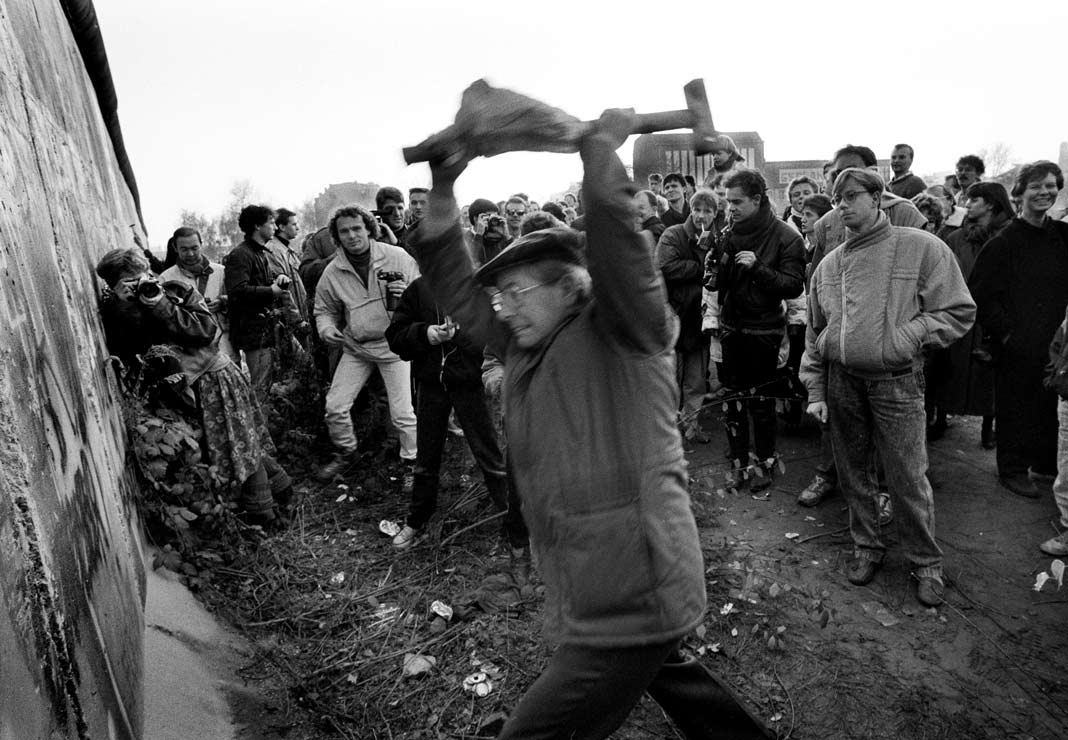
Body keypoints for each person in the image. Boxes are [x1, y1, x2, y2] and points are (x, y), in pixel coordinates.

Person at [408, 108, 772, 740]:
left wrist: (599, 154)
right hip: (594, 579)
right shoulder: (525, 343)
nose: (502, 307)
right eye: (501, 297)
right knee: (673, 676)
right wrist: (443, 191)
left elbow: (621, 246)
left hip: (632, 589)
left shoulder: (626, 330)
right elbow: (454, 282)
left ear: (569, 285)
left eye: (516, 291)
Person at [801, 168, 975, 607]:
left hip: (897, 383)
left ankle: (926, 563)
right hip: (843, 384)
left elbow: (957, 310)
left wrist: (906, 338)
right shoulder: (828, 266)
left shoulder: (919, 247)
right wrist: (816, 391)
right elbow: (813, 335)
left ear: (878, 197)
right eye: (835, 197)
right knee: (854, 472)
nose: (841, 204)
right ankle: (867, 547)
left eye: (851, 195)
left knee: (907, 475)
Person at [97, 249, 291, 527]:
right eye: (131, 282)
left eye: (143, 278)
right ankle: (280, 493)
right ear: (113, 286)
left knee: (242, 445)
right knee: (230, 447)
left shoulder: (176, 290)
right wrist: (123, 305)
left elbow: (205, 332)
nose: (143, 285)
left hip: (214, 376)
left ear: (150, 272)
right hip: (184, 388)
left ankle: (266, 514)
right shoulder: (119, 308)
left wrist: (159, 303)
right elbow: (130, 347)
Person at [384, 277, 529, 552]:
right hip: (431, 386)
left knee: (491, 457)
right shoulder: (418, 290)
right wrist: (426, 333)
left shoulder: (480, 291)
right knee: (426, 460)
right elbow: (395, 337)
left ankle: (515, 525)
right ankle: (417, 520)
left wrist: (463, 335)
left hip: (471, 385)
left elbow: (501, 338)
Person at [969, 161, 1068, 497]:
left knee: (1048, 403)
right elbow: (980, 295)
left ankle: (1043, 465)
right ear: (1020, 193)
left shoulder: (1062, 236)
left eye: (1051, 186)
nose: (1045, 192)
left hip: (1057, 341)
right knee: (1015, 406)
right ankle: (1011, 469)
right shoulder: (1004, 242)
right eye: (1036, 186)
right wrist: (1009, 335)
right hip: (1018, 343)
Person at [707, 170, 805, 489]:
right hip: (732, 328)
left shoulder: (787, 236)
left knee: (761, 403)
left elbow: (793, 286)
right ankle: (739, 464)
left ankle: (764, 463)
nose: (730, 208)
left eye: (736, 202)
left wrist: (759, 269)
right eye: (727, 202)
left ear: (757, 200)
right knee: (733, 400)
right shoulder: (728, 232)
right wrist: (715, 264)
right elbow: (719, 284)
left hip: (764, 333)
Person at [314, 205, 420, 482]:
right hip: (357, 347)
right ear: (336, 237)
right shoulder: (333, 271)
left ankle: (412, 465)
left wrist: (406, 293)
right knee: (335, 405)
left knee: (402, 413)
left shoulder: (396, 257)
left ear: (369, 229)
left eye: (357, 228)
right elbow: (324, 309)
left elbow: (424, 294)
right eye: (344, 231)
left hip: (394, 348)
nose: (352, 236)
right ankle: (348, 455)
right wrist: (326, 329)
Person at [940, 182, 1012, 449]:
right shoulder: (957, 237)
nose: (967, 204)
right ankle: (940, 418)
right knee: (950, 370)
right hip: (959, 311)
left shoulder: (1006, 237)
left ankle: (988, 427)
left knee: (988, 378)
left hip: (991, 315)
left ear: (991, 204)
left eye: (974, 200)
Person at [658, 190, 721, 443]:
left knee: (696, 380)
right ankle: (667, 432)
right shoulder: (673, 234)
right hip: (674, 315)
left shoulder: (717, 238)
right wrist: (701, 264)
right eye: (697, 209)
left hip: (699, 318)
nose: (701, 215)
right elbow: (665, 268)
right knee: (671, 377)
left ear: (715, 213)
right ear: (690, 210)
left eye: (707, 211)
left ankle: (691, 426)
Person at [225, 204, 293, 404]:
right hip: (253, 332)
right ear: (257, 226)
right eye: (271, 223)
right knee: (259, 387)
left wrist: (277, 276)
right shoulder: (241, 254)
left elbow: (261, 278)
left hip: (263, 330)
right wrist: (270, 291)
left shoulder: (258, 253)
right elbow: (237, 291)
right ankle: (257, 428)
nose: (275, 227)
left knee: (266, 383)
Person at [160, 227, 236, 361]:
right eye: (184, 249)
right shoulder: (166, 279)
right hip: (191, 356)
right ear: (175, 248)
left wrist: (223, 302)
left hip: (225, 347)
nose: (190, 253)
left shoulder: (221, 272)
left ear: (201, 244)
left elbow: (238, 301)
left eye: (194, 248)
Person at [376, 186, 410, 251]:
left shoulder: (415, 236)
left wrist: (397, 243)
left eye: (400, 208)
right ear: (379, 211)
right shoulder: (374, 238)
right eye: (390, 209)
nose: (397, 214)